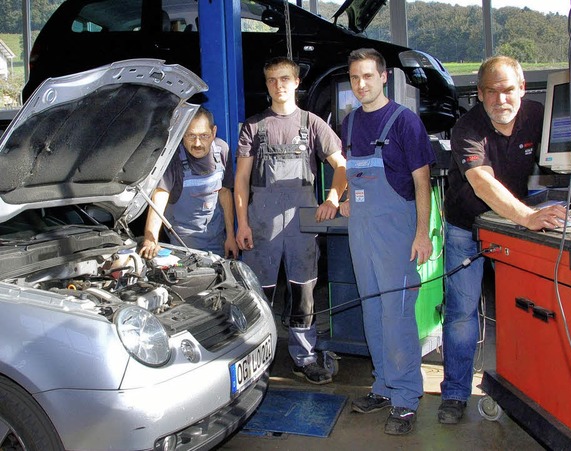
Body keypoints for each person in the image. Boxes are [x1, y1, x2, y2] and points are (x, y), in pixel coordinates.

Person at [439, 56, 566, 424]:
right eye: (491, 92)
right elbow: (483, 183)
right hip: (467, 227)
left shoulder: (538, 116)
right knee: (462, 314)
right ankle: (455, 394)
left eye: (508, 89)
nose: (501, 99)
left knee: (523, 309)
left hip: (511, 226)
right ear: (479, 94)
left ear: (522, 89)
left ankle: (525, 391)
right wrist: (527, 217)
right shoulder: (467, 127)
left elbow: (567, 154)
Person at [339, 48, 434, 435]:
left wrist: (422, 232)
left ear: (383, 77)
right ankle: (382, 386)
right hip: (361, 230)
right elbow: (350, 168)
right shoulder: (348, 124)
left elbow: (422, 181)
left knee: (396, 314)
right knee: (372, 311)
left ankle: (406, 398)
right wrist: (344, 198)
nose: (361, 85)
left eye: (367, 76)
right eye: (355, 78)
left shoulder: (405, 122)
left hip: (398, 231)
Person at [234, 57, 347, 385]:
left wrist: (333, 198)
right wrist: (241, 223)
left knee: (303, 294)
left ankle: (305, 357)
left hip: (301, 226)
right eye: (271, 79)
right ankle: (257, 358)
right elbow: (240, 180)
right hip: (261, 225)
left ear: (296, 82)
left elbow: (341, 165)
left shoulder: (312, 124)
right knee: (259, 294)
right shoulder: (253, 127)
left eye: (285, 78)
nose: (278, 85)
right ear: (267, 84)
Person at [139, 107, 238, 260]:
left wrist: (231, 236)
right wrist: (150, 238)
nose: (197, 143)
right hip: (183, 242)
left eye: (204, 135)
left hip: (217, 238)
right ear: (182, 134)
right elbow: (160, 195)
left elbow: (225, 193)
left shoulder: (222, 150)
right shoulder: (173, 158)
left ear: (214, 132)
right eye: (191, 135)